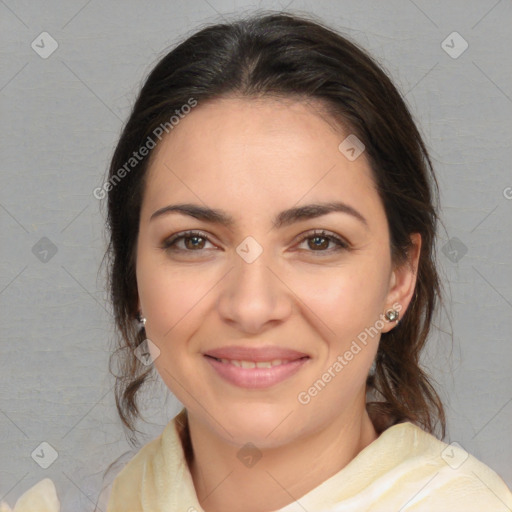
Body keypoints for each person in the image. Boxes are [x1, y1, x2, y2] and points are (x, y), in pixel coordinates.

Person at [97, 11, 512, 512]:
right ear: (133, 273)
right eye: (193, 241)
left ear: (400, 277)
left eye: (318, 242)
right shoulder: (121, 499)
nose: (251, 306)